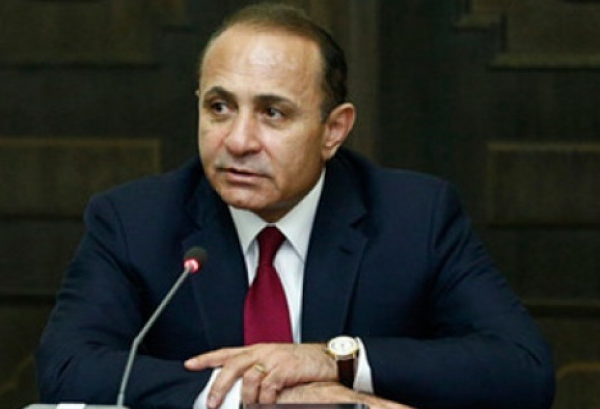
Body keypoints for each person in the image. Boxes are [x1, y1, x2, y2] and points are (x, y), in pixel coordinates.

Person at [35, 3, 555, 409]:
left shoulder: (414, 217)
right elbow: (68, 367)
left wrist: (332, 362)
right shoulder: (133, 221)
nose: (238, 140)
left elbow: (522, 369)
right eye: (220, 107)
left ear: (334, 130)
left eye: (273, 113)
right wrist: (262, 397)